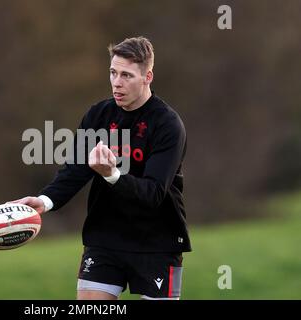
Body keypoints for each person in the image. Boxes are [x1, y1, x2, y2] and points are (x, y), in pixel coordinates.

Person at [10, 36, 191, 300]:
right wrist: (44, 201)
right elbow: (75, 169)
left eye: (127, 75)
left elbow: (154, 193)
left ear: (147, 76)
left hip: (157, 242)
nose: (117, 82)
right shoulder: (99, 115)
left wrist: (112, 175)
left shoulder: (168, 125)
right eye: (113, 72)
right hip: (105, 238)